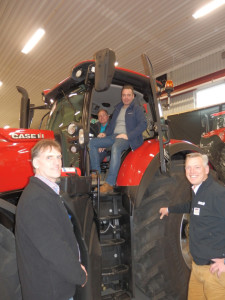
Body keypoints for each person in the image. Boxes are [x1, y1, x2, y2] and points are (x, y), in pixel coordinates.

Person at [15, 139, 87, 300]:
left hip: (54, 284)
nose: (56, 162)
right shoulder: (37, 199)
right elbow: (54, 248)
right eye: (49, 157)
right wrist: (78, 273)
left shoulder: (47, 193)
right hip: (51, 290)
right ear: (36, 163)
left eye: (58, 157)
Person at [159, 152, 225, 300]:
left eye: (197, 167)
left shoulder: (218, 194)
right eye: (188, 168)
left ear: (206, 169)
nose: (192, 172)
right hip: (197, 268)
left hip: (215, 271)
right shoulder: (198, 190)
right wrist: (169, 209)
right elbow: (193, 206)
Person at [89, 85, 147, 194]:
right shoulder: (117, 108)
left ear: (133, 96)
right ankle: (96, 174)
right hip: (113, 136)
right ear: (121, 96)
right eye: (124, 95)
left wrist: (128, 135)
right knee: (92, 143)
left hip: (127, 138)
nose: (126, 97)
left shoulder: (136, 109)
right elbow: (111, 126)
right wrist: (104, 134)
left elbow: (143, 124)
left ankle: (110, 183)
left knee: (116, 147)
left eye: (128, 95)